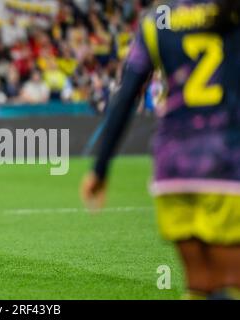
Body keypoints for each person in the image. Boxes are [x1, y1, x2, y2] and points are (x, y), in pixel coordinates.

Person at [81, 0, 240, 299]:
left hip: (173, 167)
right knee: (231, 283)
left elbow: (126, 94)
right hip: (226, 161)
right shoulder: (230, 12)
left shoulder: (156, 21)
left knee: (198, 285)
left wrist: (99, 169)